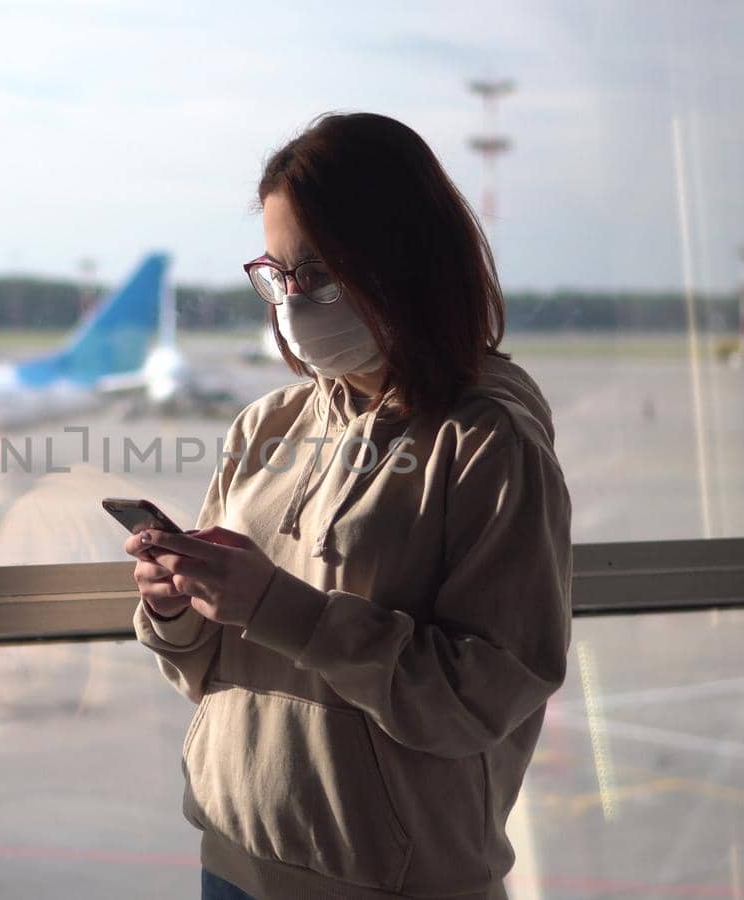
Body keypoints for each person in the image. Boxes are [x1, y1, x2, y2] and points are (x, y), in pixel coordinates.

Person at [126, 112, 573, 900]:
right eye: (278, 272)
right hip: (231, 858)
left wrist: (281, 607)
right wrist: (177, 610)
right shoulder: (267, 425)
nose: (293, 299)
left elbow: (482, 694)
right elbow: (211, 670)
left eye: (320, 273)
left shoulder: (487, 440)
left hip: (391, 881)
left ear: (403, 265)